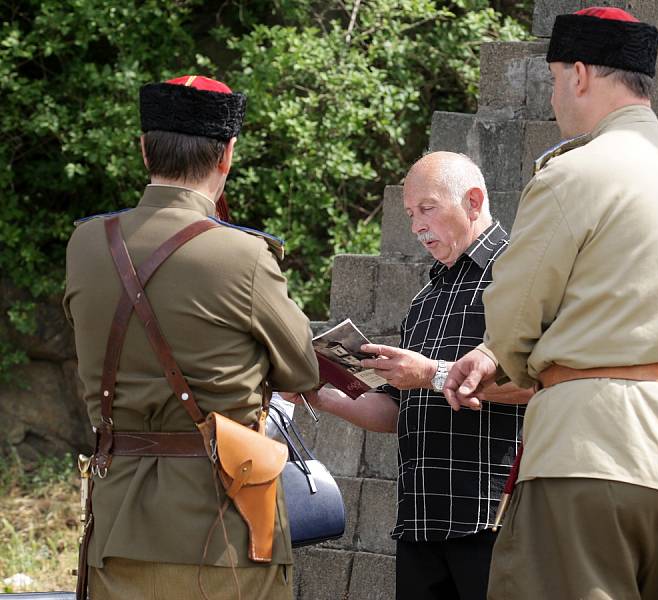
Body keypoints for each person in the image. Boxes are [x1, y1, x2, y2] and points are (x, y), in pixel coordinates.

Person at [443, 7, 658, 600]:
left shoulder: (572, 173)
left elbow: (513, 311)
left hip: (591, 454)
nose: (555, 97)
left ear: (579, 74)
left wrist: (500, 355)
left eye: (556, 79)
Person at [63, 75, 319, 600]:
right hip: (225, 527)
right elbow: (303, 372)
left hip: (116, 526)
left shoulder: (85, 244)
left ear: (143, 149)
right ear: (227, 154)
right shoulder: (245, 256)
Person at [283, 151, 533, 600]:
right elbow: (400, 413)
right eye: (410, 214)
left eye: (428, 209)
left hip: (493, 518)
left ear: (473, 202)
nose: (416, 226)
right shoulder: (425, 299)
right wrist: (320, 394)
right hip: (420, 522)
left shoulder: (519, 272)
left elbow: (538, 380)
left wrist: (430, 374)